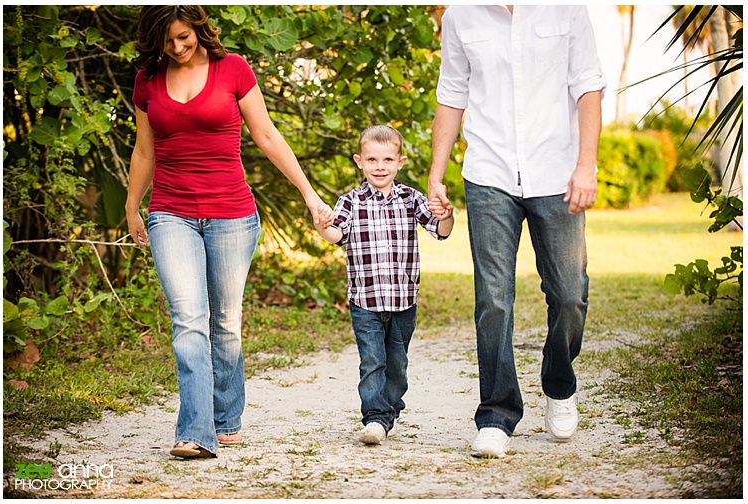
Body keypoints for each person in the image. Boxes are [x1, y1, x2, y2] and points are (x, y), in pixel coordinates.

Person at [125, 5, 329, 459]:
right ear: (155, 39)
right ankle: (195, 432)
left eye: (184, 37)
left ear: (197, 29)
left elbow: (268, 135)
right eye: (168, 40)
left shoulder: (232, 68)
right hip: (170, 212)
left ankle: (226, 417)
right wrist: (132, 207)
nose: (178, 47)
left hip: (232, 214)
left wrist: (310, 196)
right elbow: (144, 150)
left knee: (225, 322)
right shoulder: (147, 81)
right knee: (188, 320)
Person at [428, 5, 606, 458]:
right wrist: (436, 175)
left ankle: (560, 384)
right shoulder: (461, 16)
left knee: (569, 292)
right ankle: (496, 413)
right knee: (493, 298)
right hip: (488, 172)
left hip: (557, 171)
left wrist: (587, 165)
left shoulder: (567, 8)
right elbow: (452, 94)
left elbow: (588, 86)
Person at [315, 125, 454, 445]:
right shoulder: (349, 202)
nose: (380, 166)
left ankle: (389, 408)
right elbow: (337, 234)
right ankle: (376, 417)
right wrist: (322, 228)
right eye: (372, 159)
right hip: (365, 300)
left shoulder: (411, 198)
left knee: (397, 364)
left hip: (404, 301)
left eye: (388, 159)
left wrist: (446, 215)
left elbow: (441, 230)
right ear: (359, 161)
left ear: (400, 162)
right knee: (372, 361)